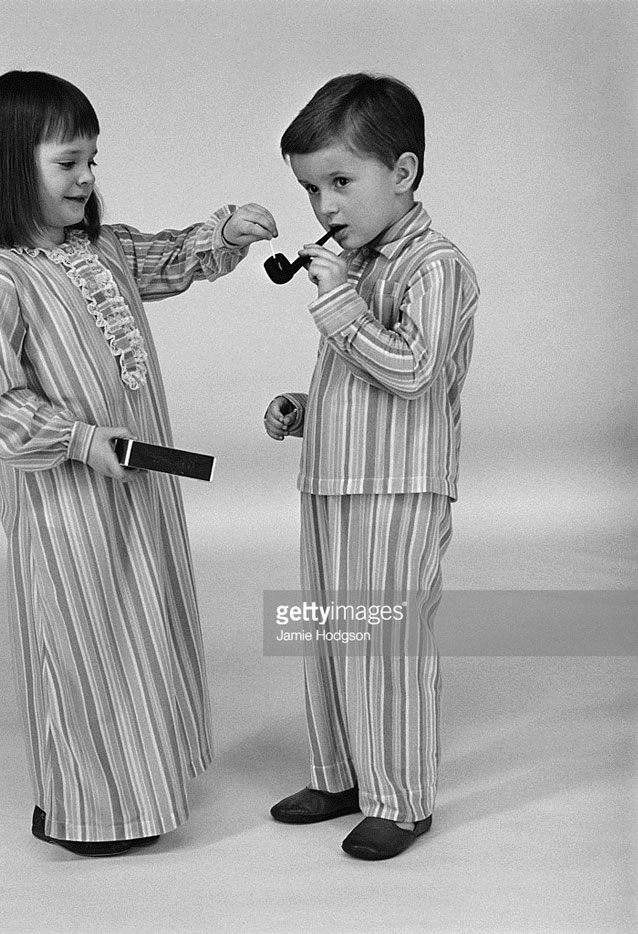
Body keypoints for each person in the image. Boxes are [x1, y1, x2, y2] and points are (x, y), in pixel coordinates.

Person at [0, 70, 276, 857]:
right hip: (67, 510)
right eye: (68, 162)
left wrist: (223, 235)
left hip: (138, 495)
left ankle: (148, 780)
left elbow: (167, 258)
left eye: (92, 161)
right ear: (10, 163)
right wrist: (79, 440)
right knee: (82, 640)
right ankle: (89, 804)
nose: (87, 178)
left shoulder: (99, 250)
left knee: (143, 625)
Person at [264, 73, 479, 860]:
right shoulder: (355, 269)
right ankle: (340, 773)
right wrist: (306, 407)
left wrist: (338, 306)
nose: (324, 208)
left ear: (405, 172)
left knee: (385, 642)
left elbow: (417, 371)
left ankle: (401, 798)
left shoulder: (435, 266)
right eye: (311, 189)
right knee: (329, 634)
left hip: (398, 489)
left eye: (340, 182)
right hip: (333, 479)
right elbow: (362, 376)